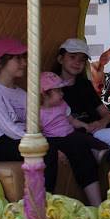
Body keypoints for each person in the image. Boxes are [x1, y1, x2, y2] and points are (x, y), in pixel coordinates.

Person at [0, 37, 96, 202]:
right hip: (1, 143)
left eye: (24, 58)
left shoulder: (22, 93)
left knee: (77, 144)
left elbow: (36, 124)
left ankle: (95, 203)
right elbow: (8, 127)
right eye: (17, 58)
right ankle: (41, 207)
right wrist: (44, 142)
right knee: (46, 151)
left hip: (26, 138)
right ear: (0, 62)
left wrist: (48, 141)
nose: (24, 62)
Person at [54, 38, 110, 162]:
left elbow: (106, 114)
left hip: (100, 127)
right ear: (60, 59)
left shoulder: (85, 85)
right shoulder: (53, 87)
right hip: (83, 131)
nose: (77, 63)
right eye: (72, 57)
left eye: (82, 60)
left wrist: (102, 122)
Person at [38, 72, 103, 206]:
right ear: (45, 94)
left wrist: (84, 125)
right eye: (58, 91)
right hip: (53, 139)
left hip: (69, 134)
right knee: (75, 143)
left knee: (82, 138)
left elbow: (72, 121)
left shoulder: (62, 104)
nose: (62, 94)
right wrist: (55, 151)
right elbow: (39, 134)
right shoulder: (38, 113)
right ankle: (45, 201)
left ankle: (100, 150)